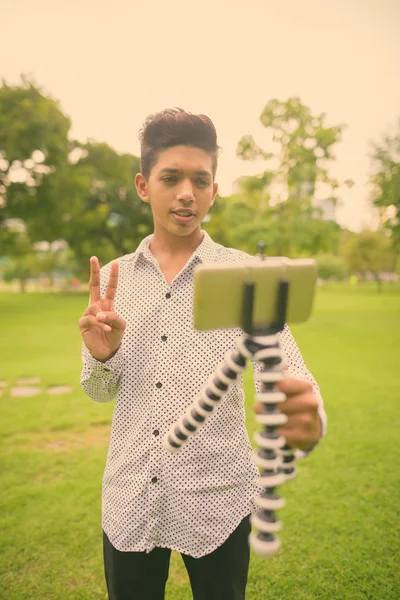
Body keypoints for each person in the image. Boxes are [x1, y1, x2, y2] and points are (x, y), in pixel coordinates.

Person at [79, 108, 327, 600]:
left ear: (214, 189)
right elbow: (98, 392)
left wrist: (309, 412)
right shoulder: (114, 279)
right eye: (170, 178)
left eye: (200, 179)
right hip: (130, 495)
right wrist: (103, 357)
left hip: (218, 498)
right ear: (144, 185)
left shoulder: (245, 276)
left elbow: (288, 368)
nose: (186, 193)